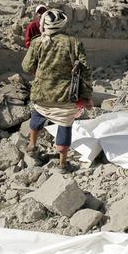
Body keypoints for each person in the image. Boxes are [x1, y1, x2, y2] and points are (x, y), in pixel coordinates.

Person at [21, 9, 93, 172]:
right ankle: (62, 164)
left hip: (41, 94)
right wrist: (87, 95)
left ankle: (32, 146)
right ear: (63, 24)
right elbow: (86, 70)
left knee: (37, 116)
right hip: (66, 96)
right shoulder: (74, 43)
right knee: (64, 124)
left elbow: (26, 66)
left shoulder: (37, 42)